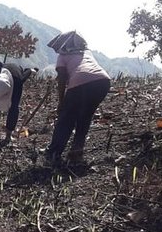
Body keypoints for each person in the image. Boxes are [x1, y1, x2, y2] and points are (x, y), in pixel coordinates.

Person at [43, 31, 111, 166]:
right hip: (102, 82)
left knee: (66, 118)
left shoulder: (63, 56)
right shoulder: (86, 53)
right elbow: (82, 68)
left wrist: (61, 102)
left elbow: (62, 79)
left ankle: (54, 152)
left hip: (80, 83)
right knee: (85, 116)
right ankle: (76, 150)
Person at [0, 64, 38, 143]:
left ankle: (8, 135)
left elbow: (27, 72)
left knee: (13, 109)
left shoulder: (18, 82)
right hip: (4, 70)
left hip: (16, 74)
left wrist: (30, 70)